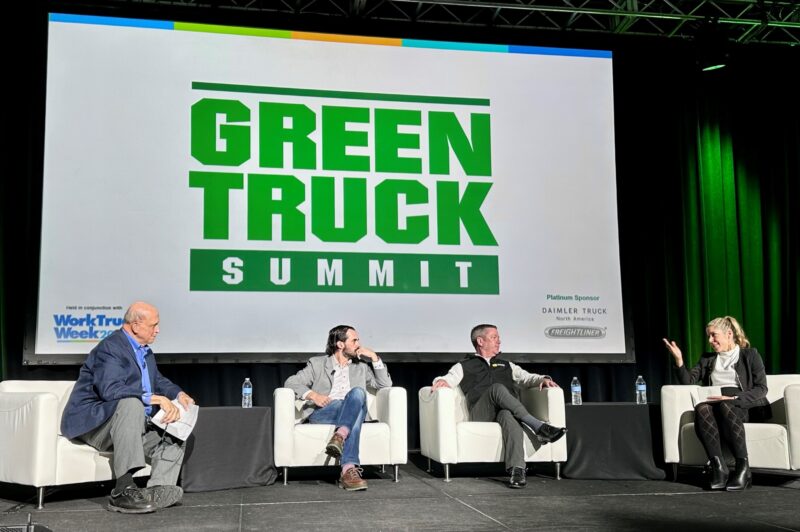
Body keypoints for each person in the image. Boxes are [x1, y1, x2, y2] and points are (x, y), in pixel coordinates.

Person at [61, 302, 195, 513]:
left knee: (174, 432)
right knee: (132, 403)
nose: (158, 330)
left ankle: (157, 489)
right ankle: (121, 490)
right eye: (154, 325)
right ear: (135, 325)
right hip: (95, 424)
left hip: (127, 426)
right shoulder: (111, 348)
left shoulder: (145, 352)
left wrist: (179, 395)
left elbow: (157, 381)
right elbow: (110, 390)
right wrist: (155, 399)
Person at [431, 324, 567, 488]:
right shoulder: (464, 365)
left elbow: (527, 378)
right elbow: (448, 379)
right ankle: (538, 427)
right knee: (497, 388)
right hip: (481, 413)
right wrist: (440, 381)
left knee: (507, 415)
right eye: (494, 337)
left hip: (505, 411)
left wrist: (542, 379)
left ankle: (517, 470)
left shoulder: (507, 365)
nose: (499, 341)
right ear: (480, 341)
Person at [663, 315, 769, 491]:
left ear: (729, 334)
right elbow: (688, 380)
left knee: (725, 405)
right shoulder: (708, 358)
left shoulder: (749, 355)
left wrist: (735, 399)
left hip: (743, 405)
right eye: (709, 336)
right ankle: (719, 468)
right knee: (702, 408)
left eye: (714, 335)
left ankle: (744, 469)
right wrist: (679, 360)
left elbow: (761, 388)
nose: (710, 340)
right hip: (716, 406)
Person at [285, 325, 392, 491]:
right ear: (340, 344)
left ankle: (343, 447)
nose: (359, 344)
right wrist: (314, 395)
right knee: (357, 405)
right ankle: (348, 466)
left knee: (357, 394)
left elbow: (385, 384)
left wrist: (375, 358)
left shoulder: (361, 367)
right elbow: (291, 382)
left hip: (351, 408)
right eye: (354, 340)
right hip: (324, 411)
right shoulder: (318, 363)